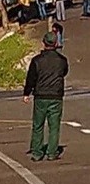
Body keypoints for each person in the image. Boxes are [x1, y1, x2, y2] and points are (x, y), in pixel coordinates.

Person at [24, 32, 69, 161]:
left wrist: (27, 93)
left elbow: (31, 78)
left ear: (43, 43)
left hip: (41, 95)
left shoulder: (37, 60)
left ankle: (37, 152)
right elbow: (64, 72)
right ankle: (52, 152)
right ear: (56, 43)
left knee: (38, 124)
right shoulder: (62, 60)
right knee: (54, 125)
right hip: (56, 95)